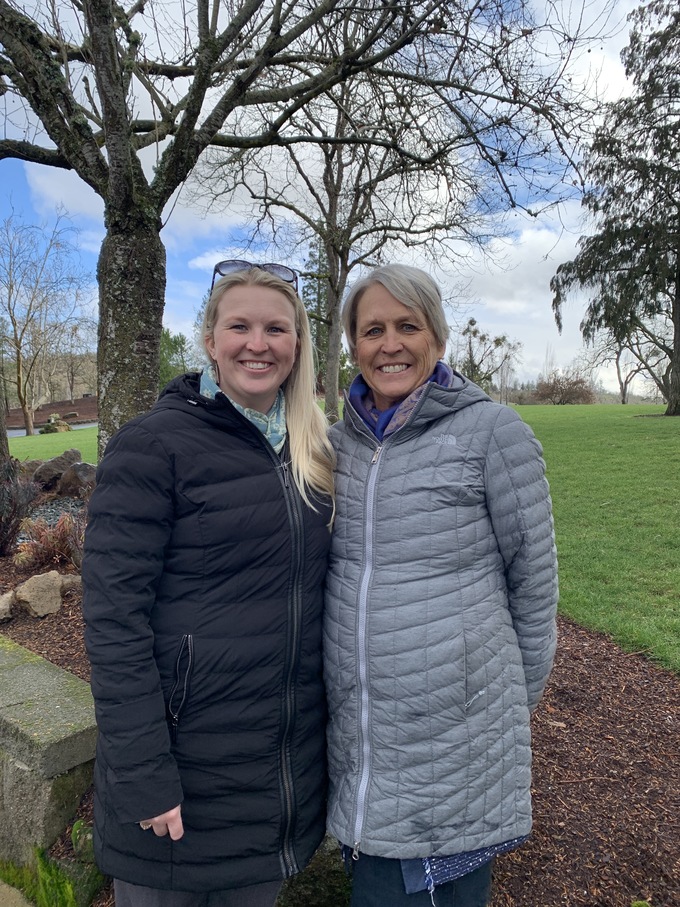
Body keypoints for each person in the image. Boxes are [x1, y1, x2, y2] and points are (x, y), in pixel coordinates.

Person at [82, 261, 335, 907]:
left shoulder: (316, 453)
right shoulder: (152, 445)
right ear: (209, 338)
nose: (259, 342)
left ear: (298, 343)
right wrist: (144, 776)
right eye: (240, 325)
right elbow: (114, 622)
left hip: (271, 792)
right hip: (176, 789)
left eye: (276, 327)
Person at [323, 264, 558, 907]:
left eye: (408, 326)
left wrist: (494, 701)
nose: (389, 344)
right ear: (353, 345)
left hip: (459, 745)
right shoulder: (334, 445)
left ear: (438, 338)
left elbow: (535, 590)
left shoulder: (493, 434)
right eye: (372, 329)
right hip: (364, 739)